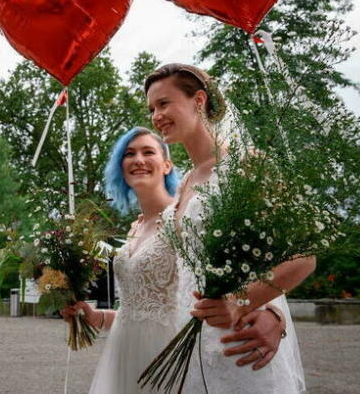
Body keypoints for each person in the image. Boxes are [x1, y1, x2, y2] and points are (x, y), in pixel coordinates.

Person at [61, 127, 289, 393]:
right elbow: (140, 312)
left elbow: (235, 271)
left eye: (148, 152)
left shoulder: (184, 218)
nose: (138, 159)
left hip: (168, 358)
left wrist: (275, 314)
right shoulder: (134, 229)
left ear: (167, 165)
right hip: (122, 357)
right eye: (129, 154)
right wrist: (96, 316)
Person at [146, 63, 312, 393]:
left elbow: (304, 257)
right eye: (151, 108)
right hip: (192, 348)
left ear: (198, 100)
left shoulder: (248, 165)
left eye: (164, 103)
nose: (156, 115)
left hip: (241, 346)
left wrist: (245, 302)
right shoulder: (183, 186)